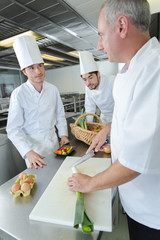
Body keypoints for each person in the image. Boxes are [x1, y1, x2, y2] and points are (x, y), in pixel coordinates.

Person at [68, 0, 160, 239]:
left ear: (121, 26)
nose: (99, 45)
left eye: (100, 34)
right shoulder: (127, 70)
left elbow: (134, 163)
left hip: (152, 211)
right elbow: (127, 118)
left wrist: (89, 183)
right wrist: (107, 129)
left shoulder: (154, 71)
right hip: (133, 201)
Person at [7, 35, 69, 169]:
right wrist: (27, 152)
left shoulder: (53, 89)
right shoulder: (18, 94)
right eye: (31, 68)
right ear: (24, 71)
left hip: (54, 144)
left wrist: (63, 134)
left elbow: (59, 114)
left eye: (40, 66)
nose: (38, 71)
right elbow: (13, 129)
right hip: (33, 152)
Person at [79, 51, 115, 125]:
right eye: (85, 79)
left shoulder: (112, 81)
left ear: (98, 74)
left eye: (90, 77)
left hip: (118, 116)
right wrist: (88, 126)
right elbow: (90, 108)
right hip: (104, 118)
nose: (88, 83)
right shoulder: (88, 87)